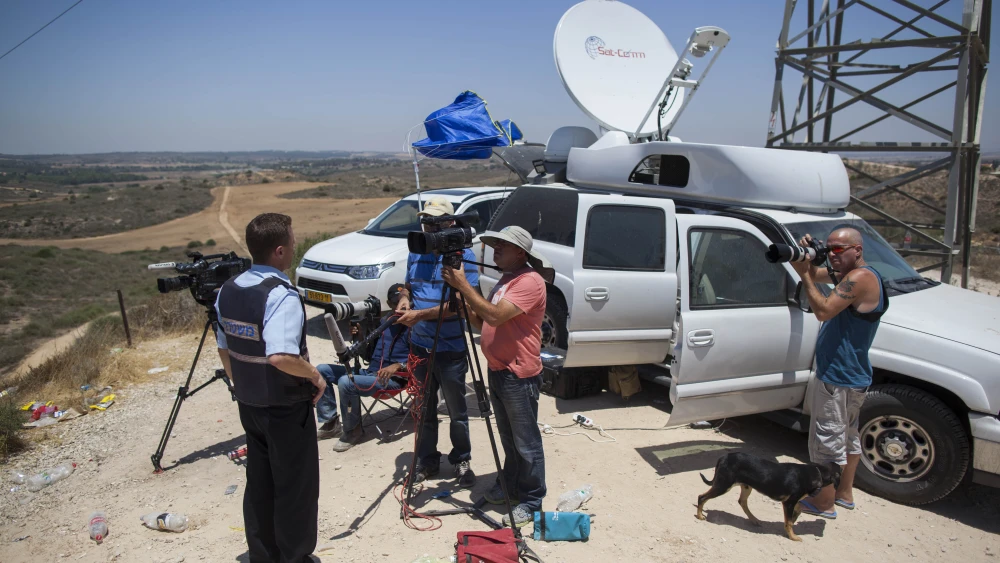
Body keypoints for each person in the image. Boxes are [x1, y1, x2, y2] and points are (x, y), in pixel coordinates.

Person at [215, 212, 325, 563]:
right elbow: (280, 356)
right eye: (292, 242)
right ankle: (295, 557)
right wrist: (314, 376)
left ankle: (262, 554)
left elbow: (223, 347)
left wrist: (240, 383)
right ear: (279, 250)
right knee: (296, 487)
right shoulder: (281, 295)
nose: (294, 246)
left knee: (260, 482)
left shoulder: (227, 291)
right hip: (284, 407)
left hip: (250, 404)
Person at [442, 225, 554, 528]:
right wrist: (462, 296)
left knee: (526, 443)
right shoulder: (507, 281)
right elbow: (482, 323)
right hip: (500, 370)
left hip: (519, 374)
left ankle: (531, 500)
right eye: (495, 245)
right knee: (509, 439)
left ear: (521, 252)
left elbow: (495, 316)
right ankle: (511, 484)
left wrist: (465, 285)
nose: (495, 250)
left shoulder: (530, 281)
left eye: (502, 246)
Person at [790, 227, 888, 519]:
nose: (832, 255)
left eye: (838, 249)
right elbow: (818, 273)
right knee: (848, 437)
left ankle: (823, 503)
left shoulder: (859, 278)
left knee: (827, 440)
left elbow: (822, 310)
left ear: (857, 250)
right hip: (853, 374)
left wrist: (804, 275)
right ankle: (844, 493)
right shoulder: (855, 275)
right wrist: (805, 257)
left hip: (837, 376)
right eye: (829, 248)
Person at [394, 196, 479, 489]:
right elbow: (407, 285)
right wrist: (405, 299)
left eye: (433, 222)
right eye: (425, 221)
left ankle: (461, 459)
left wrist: (421, 315)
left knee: (457, 412)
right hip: (420, 348)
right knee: (424, 409)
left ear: (449, 223)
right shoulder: (417, 250)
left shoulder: (463, 255)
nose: (428, 227)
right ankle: (427, 461)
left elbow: (462, 304)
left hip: (451, 349)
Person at [314, 284, 411, 452]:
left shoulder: (414, 326)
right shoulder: (383, 322)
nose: (401, 307)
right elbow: (369, 356)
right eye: (396, 303)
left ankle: (353, 431)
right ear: (389, 303)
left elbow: (423, 361)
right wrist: (359, 337)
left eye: (403, 302)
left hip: (393, 380)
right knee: (322, 370)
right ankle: (330, 422)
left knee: (347, 382)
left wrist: (398, 365)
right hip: (370, 373)